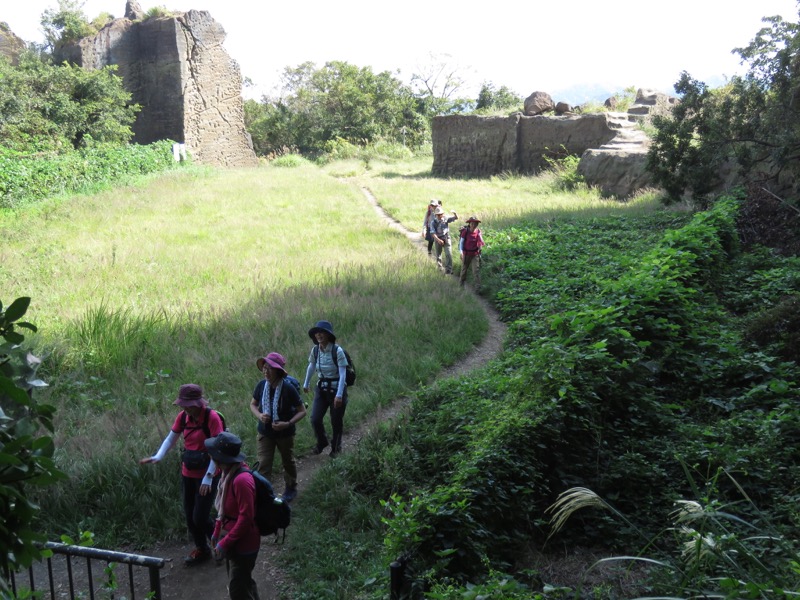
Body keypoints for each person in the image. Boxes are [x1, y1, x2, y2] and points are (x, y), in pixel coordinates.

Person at [139, 383, 223, 566]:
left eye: (188, 404)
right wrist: (158, 456)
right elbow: (171, 438)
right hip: (188, 473)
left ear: (198, 403)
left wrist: (209, 477)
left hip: (207, 475)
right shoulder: (183, 417)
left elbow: (218, 449)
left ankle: (221, 544)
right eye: (183, 404)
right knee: (189, 515)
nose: (185, 408)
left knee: (200, 516)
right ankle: (202, 548)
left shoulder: (212, 418)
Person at [206, 432, 261, 600]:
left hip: (244, 544)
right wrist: (217, 533)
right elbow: (224, 511)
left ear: (220, 458)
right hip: (234, 541)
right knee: (244, 582)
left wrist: (224, 544)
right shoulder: (227, 475)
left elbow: (246, 518)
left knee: (238, 591)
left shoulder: (241, 481)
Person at [249, 352, 306, 502]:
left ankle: (290, 487)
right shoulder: (261, 386)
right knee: (263, 463)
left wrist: (287, 424)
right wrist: (260, 416)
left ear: (278, 371)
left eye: (270, 369)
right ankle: (264, 494)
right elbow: (253, 404)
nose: (266, 372)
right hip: (265, 432)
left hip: (285, 434)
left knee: (287, 461)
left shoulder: (288, 388)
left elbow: (302, 411)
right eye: (264, 368)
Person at [303, 319, 350, 457]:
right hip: (321, 389)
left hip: (337, 390)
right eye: (317, 333)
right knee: (315, 419)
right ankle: (322, 442)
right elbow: (311, 366)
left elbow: (343, 374)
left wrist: (339, 395)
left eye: (322, 333)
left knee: (336, 421)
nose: (319, 335)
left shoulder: (337, 351)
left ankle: (336, 448)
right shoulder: (315, 350)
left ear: (328, 335)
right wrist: (306, 383)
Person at [459, 215, 486, 290]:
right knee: (464, 270)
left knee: (476, 271)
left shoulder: (478, 232)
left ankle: (478, 288)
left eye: (475, 223)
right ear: (469, 224)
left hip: (475, 254)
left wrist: (480, 248)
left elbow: (480, 241)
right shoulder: (465, 232)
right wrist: (461, 252)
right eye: (472, 223)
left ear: (477, 224)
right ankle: (461, 284)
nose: (474, 225)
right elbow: (461, 243)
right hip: (466, 254)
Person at [431, 205, 459, 274]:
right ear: (436, 215)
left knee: (449, 254)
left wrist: (455, 213)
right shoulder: (433, 222)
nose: (440, 216)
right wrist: (438, 240)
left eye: (441, 214)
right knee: (438, 255)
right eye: (438, 215)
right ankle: (440, 268)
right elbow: (432, 233)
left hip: (446, 238)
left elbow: (455, 218)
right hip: (438, 239)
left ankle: (449, 269)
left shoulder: (445, 218)